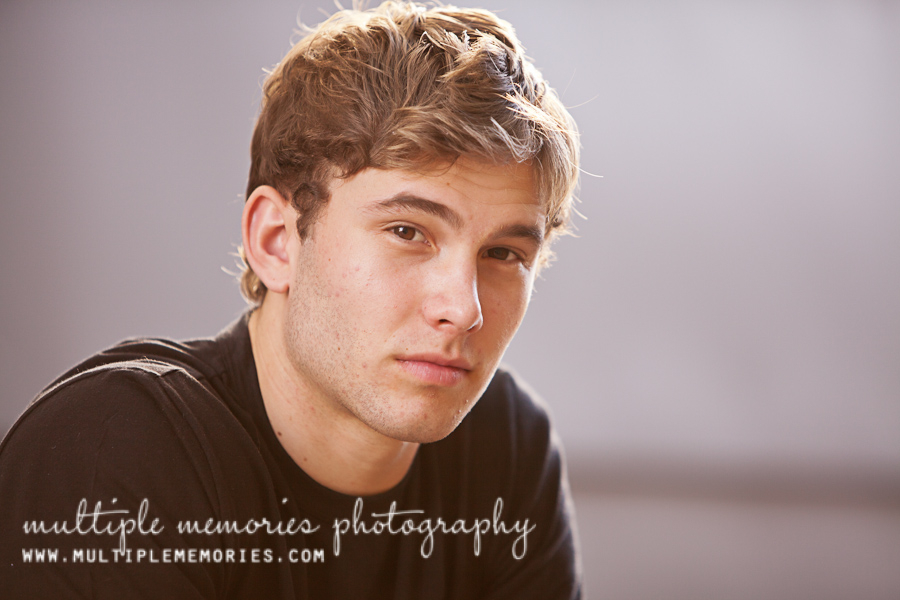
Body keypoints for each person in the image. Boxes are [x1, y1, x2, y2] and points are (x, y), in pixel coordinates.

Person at [0, 2, 582, 598]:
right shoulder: (118, 451)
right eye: (407, 231)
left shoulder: (505, 446)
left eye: (503, 253)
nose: (463, 309)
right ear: (276, 242)